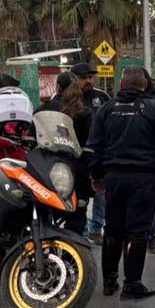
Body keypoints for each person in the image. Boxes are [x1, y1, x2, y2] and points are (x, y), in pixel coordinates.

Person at [85, 67, 155, 299]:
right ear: (145, 85)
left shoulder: (107, 109)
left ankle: (110, 281)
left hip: (114, 178)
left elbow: (94, 147)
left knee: (112, 229)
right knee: (138, 232)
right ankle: (132, 283)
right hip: (145, 179)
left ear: (122, 84)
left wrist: (96, 176)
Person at [69, 62, 111, 240]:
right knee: (78, 196)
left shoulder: (102, 97)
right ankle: (82, 230)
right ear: (74, 80)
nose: (88, 81)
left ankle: (96, 229)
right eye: (83, 78)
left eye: (90, 77)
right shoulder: (68, 98)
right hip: (75, 157)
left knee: (101, 193)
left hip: (98, 155)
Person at [57, 79, 95, 236]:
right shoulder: (86, 114)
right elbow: (92, 143)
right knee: (79, 212)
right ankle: (77, 245)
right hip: (80, 169)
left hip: (57, 167)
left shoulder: (56, 113)